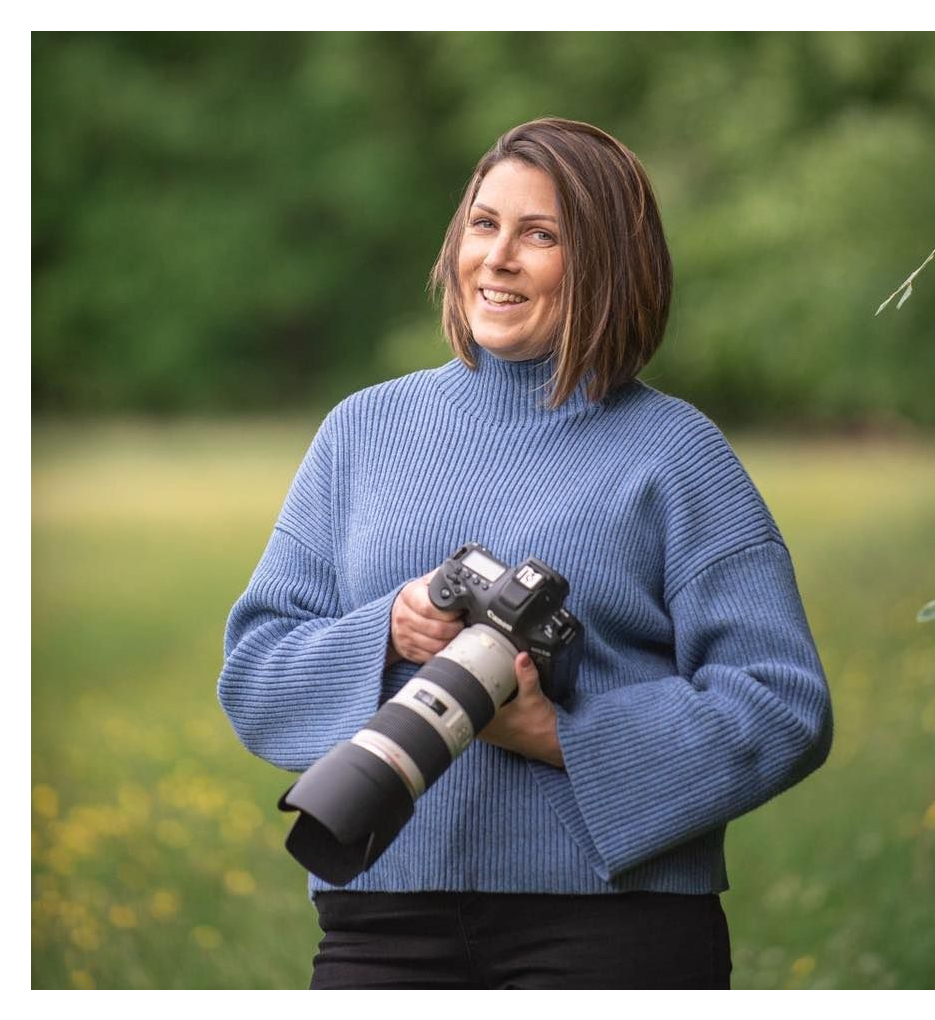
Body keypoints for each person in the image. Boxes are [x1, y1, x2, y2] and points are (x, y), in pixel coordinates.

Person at [217, 117, 834, 990]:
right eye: (483, 224)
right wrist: (388, 632)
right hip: (381, 920)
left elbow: (783, 704)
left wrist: (565, 738)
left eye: (539, 235)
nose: (498, 258)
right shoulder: (362, 432)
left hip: (612, 926)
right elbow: (254, 676)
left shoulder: (675, 454)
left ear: (608, 266)